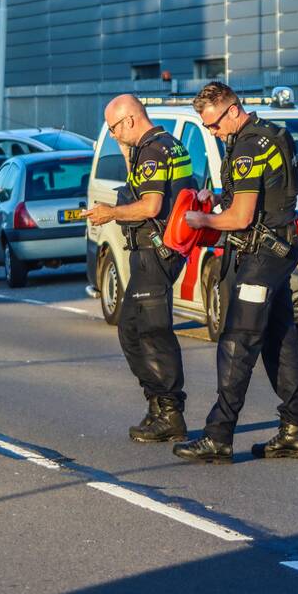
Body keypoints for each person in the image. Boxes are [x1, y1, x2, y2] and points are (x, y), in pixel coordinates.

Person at [173, 81, 298, 464]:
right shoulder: (270, 134)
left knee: (237, 340)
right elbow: (261, 196)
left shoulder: (247, 146)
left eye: (213, 124)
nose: (211, 132)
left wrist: (199, 217)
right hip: (279, 247)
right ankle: (294, 431)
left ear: (232, 109)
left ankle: (218, 436)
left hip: (262, 255)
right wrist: (217, 200)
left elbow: (241, 217)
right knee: (279, 339)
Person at [85, 95, 195, 443]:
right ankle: (161, 407)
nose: (115, 136)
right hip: (164, 250)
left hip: (153, 252)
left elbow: (150, 206)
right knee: (137, 328)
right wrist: (126, 151)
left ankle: (167, 411)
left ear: (130, 120)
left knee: (148, 332)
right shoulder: (171, 145)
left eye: (115, 129)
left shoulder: (150, 152)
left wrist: (110, 213)